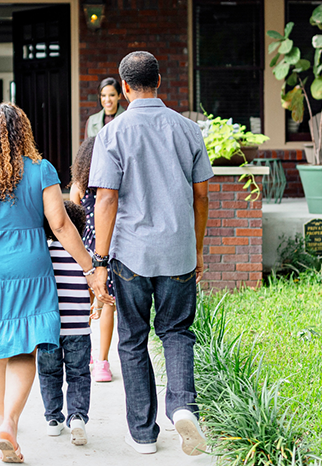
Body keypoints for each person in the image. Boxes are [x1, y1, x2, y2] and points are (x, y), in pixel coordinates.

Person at [0, 103, 108, 464]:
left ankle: (3, 420)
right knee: (26, 347)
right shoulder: (41, 170)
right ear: (23, 133)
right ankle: (10, 419)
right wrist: (90, 267)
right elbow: (60, 225)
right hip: (26, 264)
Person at [89, 51, 213, 457]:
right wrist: (195, 249)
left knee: (132, 339)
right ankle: (182, 407)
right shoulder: (189, 130)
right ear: (159, 80)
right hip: (178, 251)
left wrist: (99, 262)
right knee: (177, 333)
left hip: (130, 256)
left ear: (123, 88)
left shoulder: (112, 133)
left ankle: (143, 433)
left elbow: (106, 200)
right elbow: (201, 195)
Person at [36, 201, 93, 446]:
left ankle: (53, 419)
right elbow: (92, 290)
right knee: (79, 374)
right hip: (79, 328)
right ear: (81, 227)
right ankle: (78, 417)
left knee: (49, 374)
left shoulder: (42, 255)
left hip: (49, 328)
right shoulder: (85, 255)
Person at [68, 137, 116, 383]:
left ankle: (84, 356)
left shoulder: (78, 185)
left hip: (85, 251)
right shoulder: (111, 183)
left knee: (84, 302)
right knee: (108, 302)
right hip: (108, 248)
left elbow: (73, 222)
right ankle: (102, 362)